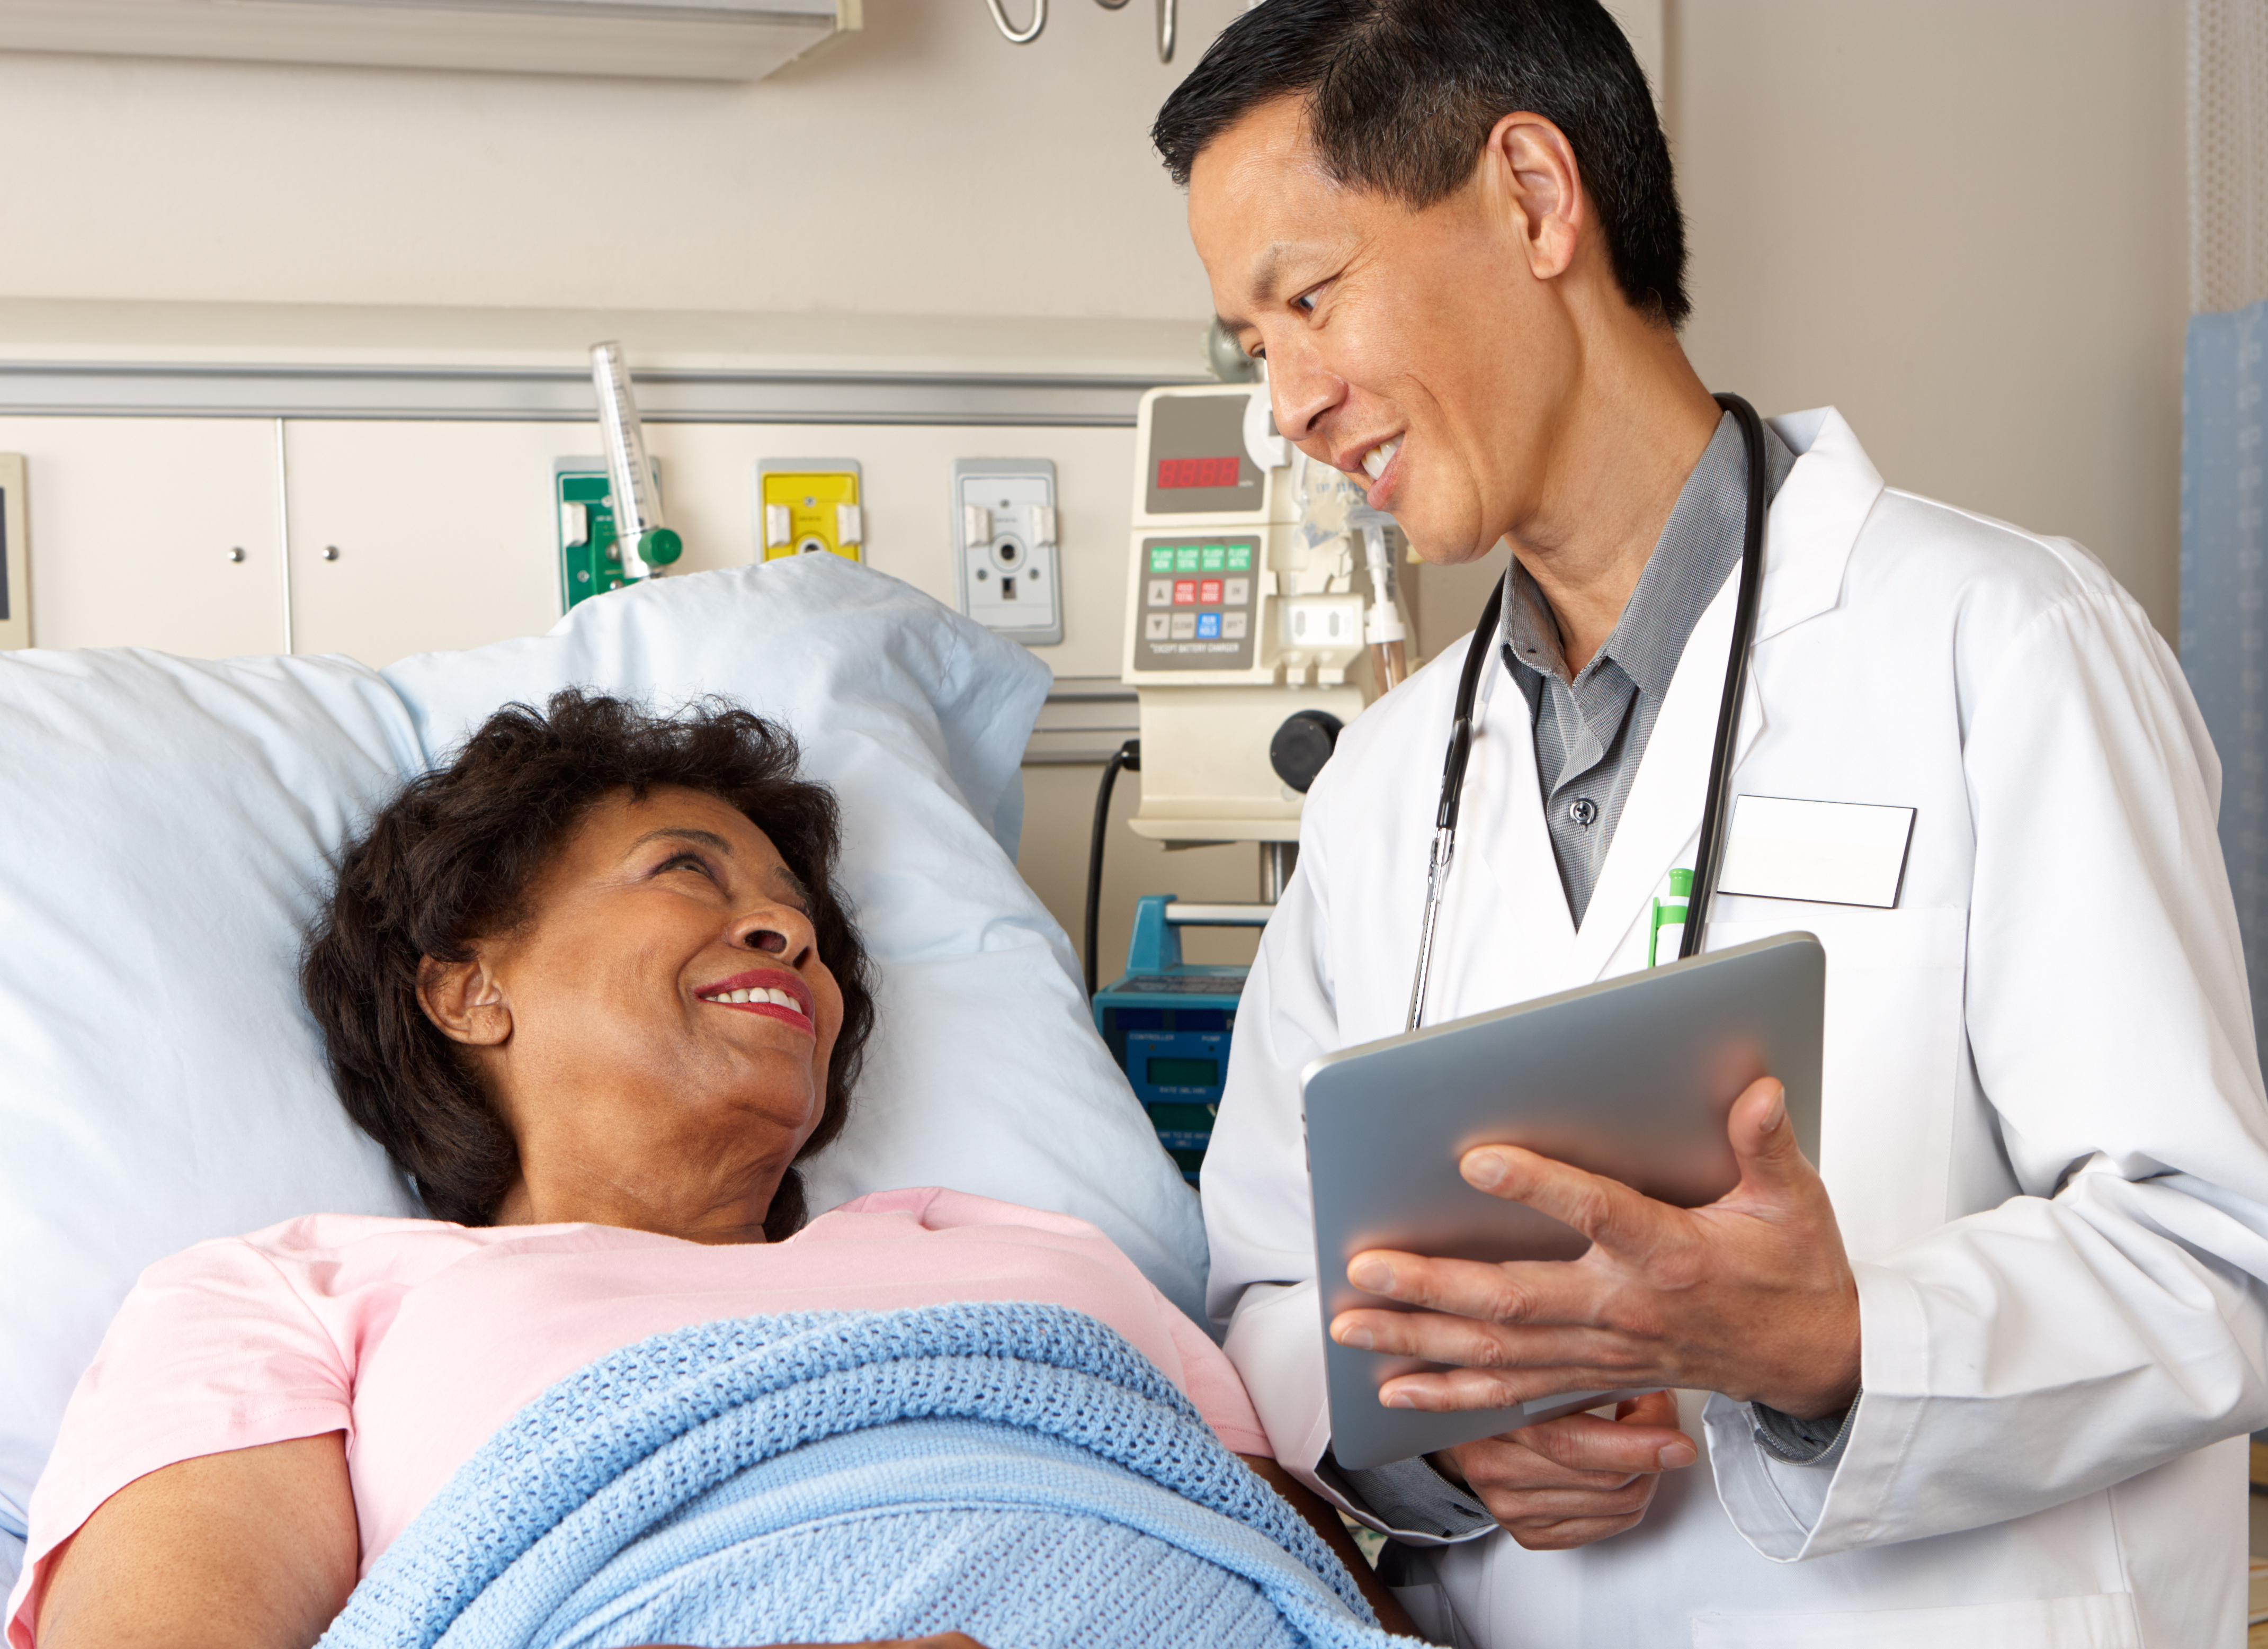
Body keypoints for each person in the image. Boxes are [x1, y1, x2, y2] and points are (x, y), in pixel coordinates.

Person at [1160, 1, 2268, 1643]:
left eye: (1308, 300)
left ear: (1534, 199)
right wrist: (1446, 1450)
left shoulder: (2002, 645)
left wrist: (1838, 1342)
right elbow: (1261, 1287)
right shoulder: (1387, 785)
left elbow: (2217, 1257)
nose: (1289, 407)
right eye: (1253, 351)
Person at [10, 691, 1414, 1649]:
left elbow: (1301, 1571)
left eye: (799, 922)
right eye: (690, 871)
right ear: (465, 985)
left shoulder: (1035, 1250)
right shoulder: (304, 1292)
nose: (785, 938)